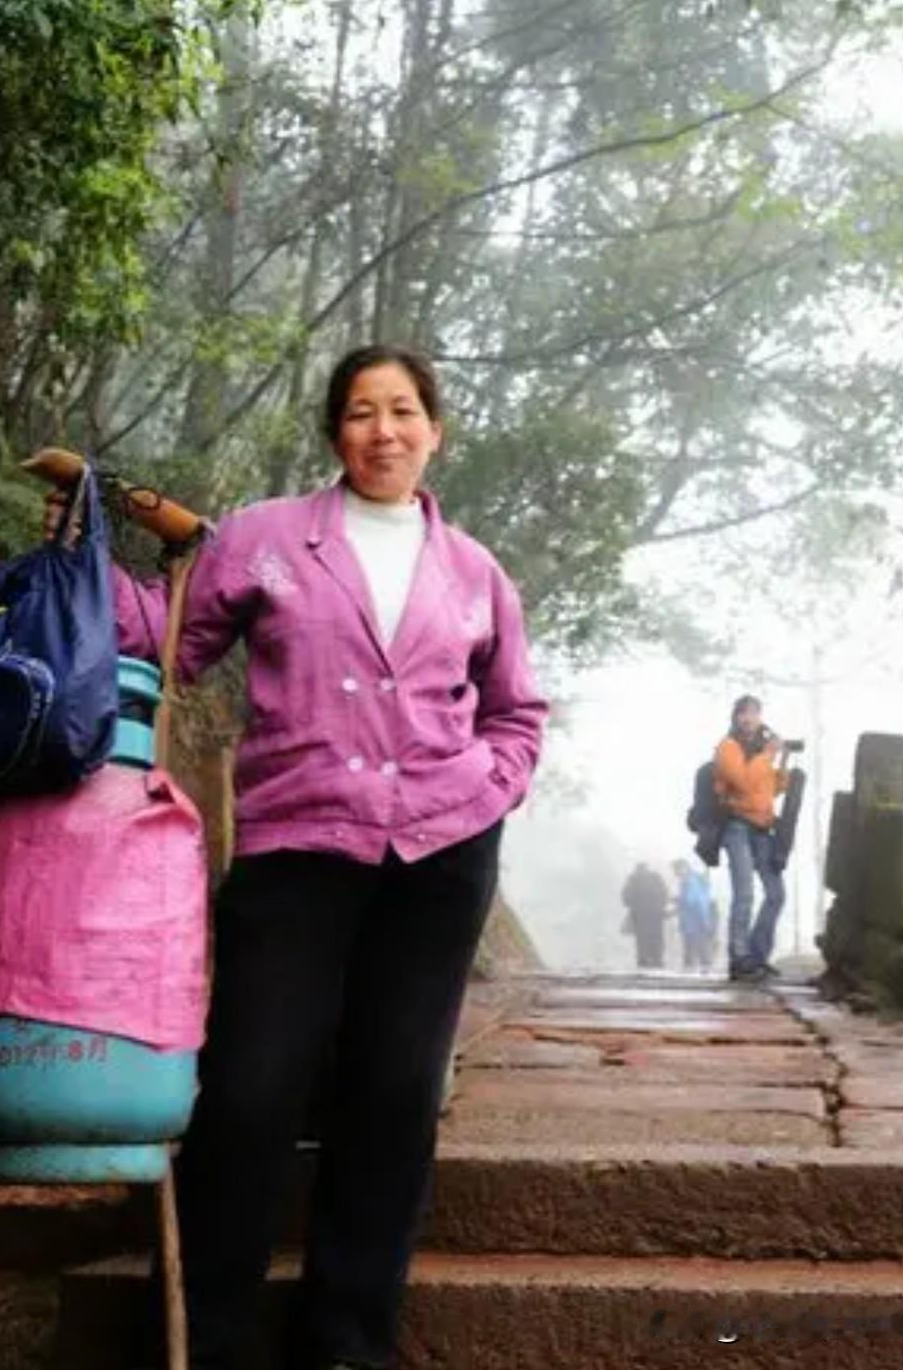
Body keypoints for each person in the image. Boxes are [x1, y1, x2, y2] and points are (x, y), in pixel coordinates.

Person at [57, 345, 547, 1370]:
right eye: (362, 412)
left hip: (438, 854)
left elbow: (515, 712)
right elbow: (168, 639)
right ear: (335, 434)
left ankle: (345, 1343)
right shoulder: (267, 541)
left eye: (403, 410)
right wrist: (86, 547)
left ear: (433, 430)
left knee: (393, 1095)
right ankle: (207, 1338)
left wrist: (485, 790)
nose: (384, 430)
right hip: (296, 845)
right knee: (247, 1087)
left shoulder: (473, 574)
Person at [713, 694, 787, 982]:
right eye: (743, 713)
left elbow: (767, 791)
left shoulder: (761, 752)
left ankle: (757, 955)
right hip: (737, 826)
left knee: (776, 894)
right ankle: (739, 957)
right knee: (744, 893)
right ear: (735, 717)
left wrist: (780, 768)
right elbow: (742, 783)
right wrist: (768, 755)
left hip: (763, 826)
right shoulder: (727, 748)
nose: (748, 718)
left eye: (754, 713)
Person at [621, 861, 669, 969]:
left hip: (639, 915)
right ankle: (657, 959)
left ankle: (643, 960)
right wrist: (661, 905)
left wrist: (634, 905)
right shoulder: (656, 878)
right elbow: (665, 894)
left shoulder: (633, 879)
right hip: (656, 915)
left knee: (641, 939)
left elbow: (625, 898)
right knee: (656, 937)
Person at [672, 857, 716, 972]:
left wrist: (678, 901)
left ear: (684, 868)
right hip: (694, 920)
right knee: (696, 946)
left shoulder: (691, 881)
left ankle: (698, 969)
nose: (675, 873)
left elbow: (696, 902)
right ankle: (700, 967)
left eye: (676, 870)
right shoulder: (692, 880)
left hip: (694, 921)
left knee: (696, 946)